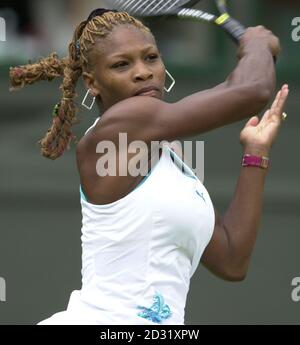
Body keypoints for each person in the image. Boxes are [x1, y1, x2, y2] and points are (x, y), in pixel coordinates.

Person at [9, 8, 288, 325]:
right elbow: (252, 91)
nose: (143, 72)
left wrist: (255, 153)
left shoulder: (176, 169)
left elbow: (232, 260)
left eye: (151, 58)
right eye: (121, 64)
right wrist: (257, 44)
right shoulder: (117, 129)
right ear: (92, 83)